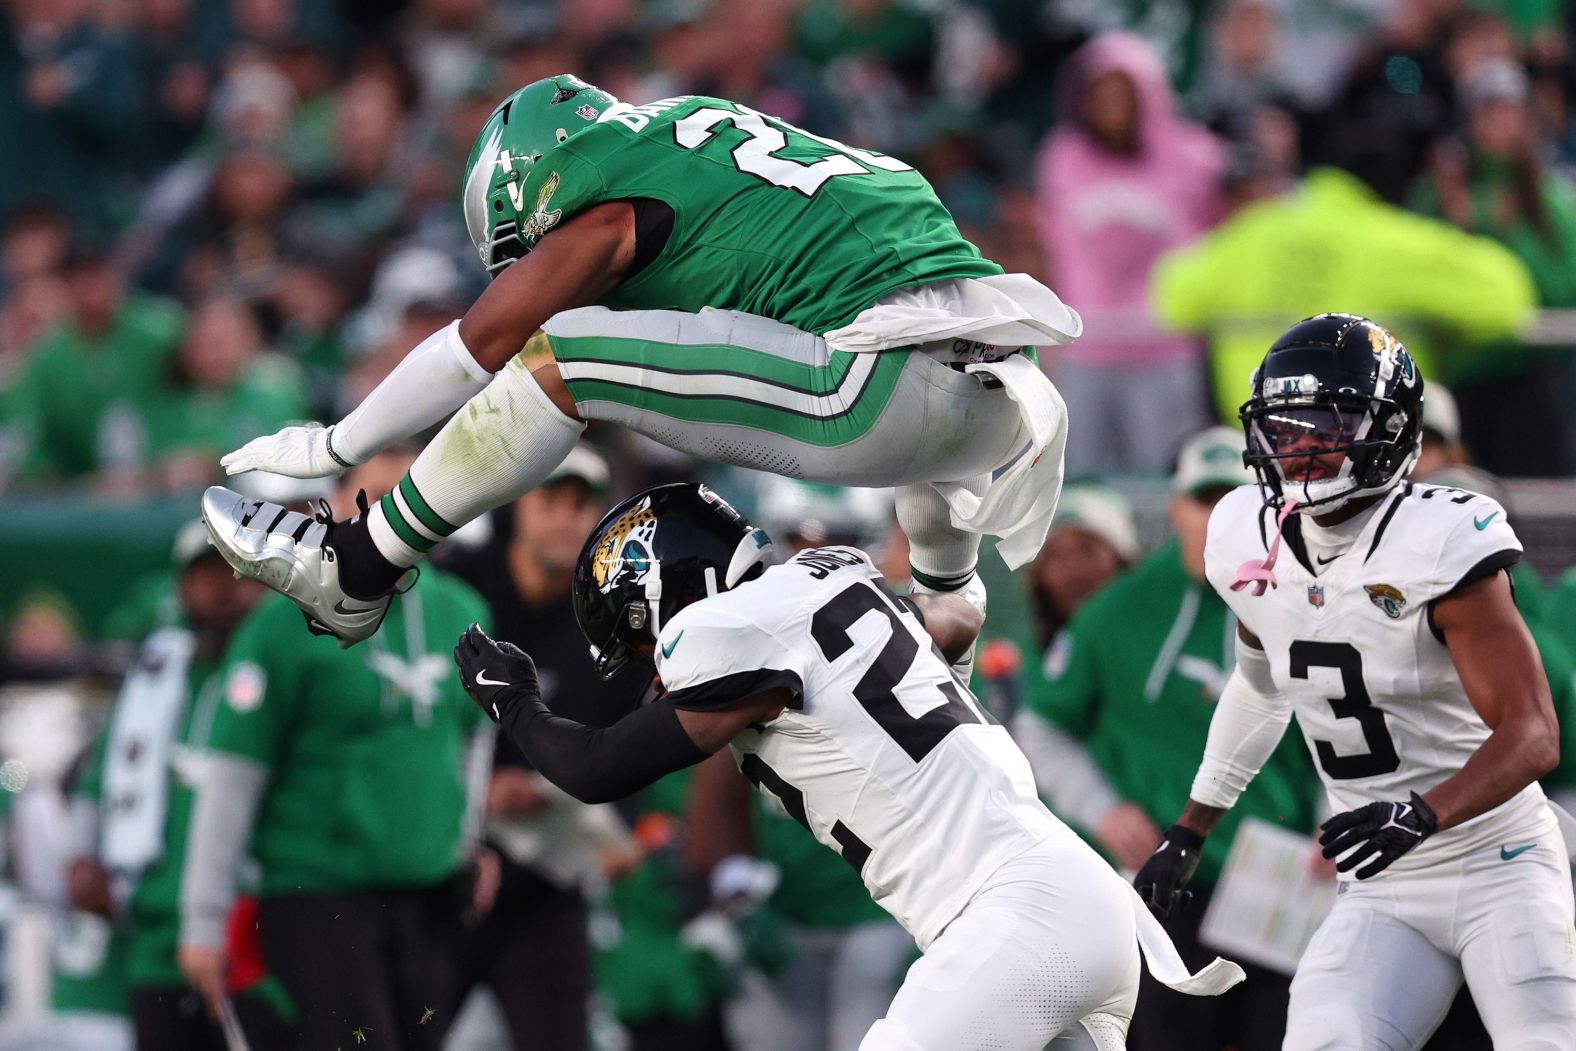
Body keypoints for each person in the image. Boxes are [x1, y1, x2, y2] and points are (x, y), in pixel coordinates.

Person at [199, 72, 1078, 663]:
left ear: (534, 182)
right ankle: (949, 604)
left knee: (566, 353)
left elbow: (481, 345)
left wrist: (336, 441)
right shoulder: (697, 140)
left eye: (523, 249)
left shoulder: (609, 193)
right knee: (888, 369)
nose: (532, 264)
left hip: (882, 384)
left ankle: (359, 566)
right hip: (1007, 391)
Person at [453, 482, 1244, 1051]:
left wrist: (515, 703)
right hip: (1083, 904)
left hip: (1015, 916)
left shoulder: (730, 630)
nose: (649, 666)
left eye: (636, 635)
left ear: (665, 588)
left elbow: (595, 768)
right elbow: (954, 624)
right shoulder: (835, 575)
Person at [1133, 313, 1576, 1050]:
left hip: (1499, 860)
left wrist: (1421, 813)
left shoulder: (1440, 539)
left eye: (1328, 422)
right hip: (1382, 882)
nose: (1301, 445)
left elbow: (1533, 735)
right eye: (1286, 424)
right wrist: (1190, 828)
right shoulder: (1246, 529)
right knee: (1326, 1039)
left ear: (1393, 430)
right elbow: (1260, 687)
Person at [177, 449, 494, 1051]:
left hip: (428, 892)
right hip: (319, 894)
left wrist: (468, 841)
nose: (397, 516)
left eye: (416, 498)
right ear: (341, 500)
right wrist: (203, 919)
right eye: (378, 496)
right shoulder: (281, 621)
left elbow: (472, 741)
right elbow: (231, 775)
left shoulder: (464, 612)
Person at [1014, 428, 1320, 1051]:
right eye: (1203, 501)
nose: (1217, 518)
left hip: (1282, 882)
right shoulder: (1117, 612)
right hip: (1168, 880)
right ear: (1175, 509)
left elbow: (1339, 728)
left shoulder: (1308, 602)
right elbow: (1042, 726)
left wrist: (1330, 817)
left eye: (1235, 499)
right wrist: (1106, 810)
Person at [438, 442, 645, 1051]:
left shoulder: (613, 622)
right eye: (551, 499)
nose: (567, 518)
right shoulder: (459, 593)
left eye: (582, 505)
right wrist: (481, 791)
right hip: (443, 875)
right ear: (515, 505)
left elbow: (630, 742)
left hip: (548, 878)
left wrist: (619, 830)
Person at [65, 520, 282, 1050]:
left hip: (257, 939)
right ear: (182, 589)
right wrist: (80, 855)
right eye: (207, 576)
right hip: (156, 935)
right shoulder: (154, 677)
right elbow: (103, 776)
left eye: (239, 573)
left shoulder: (283, 670)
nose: (224, 589)